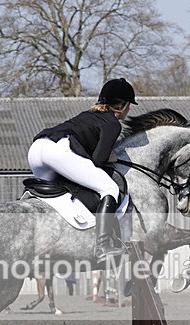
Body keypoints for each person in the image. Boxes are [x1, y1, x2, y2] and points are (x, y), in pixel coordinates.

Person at [27, 78, 137, 269]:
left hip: (37, 149)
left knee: (55, 193)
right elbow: (99, 160)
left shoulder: (88, 115)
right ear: (122, 106)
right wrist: (112, 158)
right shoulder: (112, 123)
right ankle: (102, 247)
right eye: (129, 106)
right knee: (109, 187)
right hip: (58, 151)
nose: (129, 111)